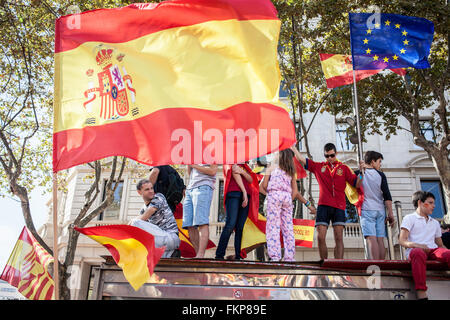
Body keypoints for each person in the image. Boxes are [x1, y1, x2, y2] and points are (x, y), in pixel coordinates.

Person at [291, 143, 363, 260]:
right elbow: (301, 159)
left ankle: (338, 264)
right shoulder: (319, 166)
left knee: (339, 237)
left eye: (332, 155)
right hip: (323, 206)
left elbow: (357, 184)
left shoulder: (344, 168)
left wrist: (361, 173)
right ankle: (323, 263)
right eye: (327, 156)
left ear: (336, 153)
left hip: (339, 206)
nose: (329, 158)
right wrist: (293, 147)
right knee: (320, 237)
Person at [399, 191, 450, 300]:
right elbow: (402, 241)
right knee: (418, 253)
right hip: (416, 251)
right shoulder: (409, 218)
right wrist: (417, 245)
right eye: (430, 203)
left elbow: (440, 245)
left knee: (448, 254)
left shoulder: (435, 223)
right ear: (420, 203)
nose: (434, 206)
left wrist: (447, 254)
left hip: (433, 250)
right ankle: (421, 292)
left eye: (434, 203)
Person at [355, 151, 395, 260]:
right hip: (380, 211)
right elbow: (387, 195)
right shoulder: (381, 175)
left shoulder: (358, 173)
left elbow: (356, 186)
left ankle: (375, 265)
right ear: (372, 162)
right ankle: (381, 265)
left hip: (366, 209)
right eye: (379, 161)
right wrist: (391, 213)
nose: (380, 164)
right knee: (380, 239)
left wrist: (361, 173)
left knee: (371, 239)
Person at [260, 149, 298, 262]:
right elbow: (295, 191)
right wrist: (288, 199)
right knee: (288, 228)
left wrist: (271, 194)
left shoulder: (271, 167)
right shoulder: (291, 171)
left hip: (274, 196)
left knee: (273, 227)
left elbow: (264, 185)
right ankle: (289, 257)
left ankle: (275, 256)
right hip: (287, 197)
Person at [130, 179, 180, 258]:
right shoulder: (143, 209)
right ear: (139, 192)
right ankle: (172, 253)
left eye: (151, 188)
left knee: (135, 223)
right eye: (147, 189)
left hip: (170, 237)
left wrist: (129, 225)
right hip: (160, 241)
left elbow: (145, 216)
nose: (151, 191)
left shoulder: (158, 197)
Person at [215, 163, 255, 260]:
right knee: (230, 224)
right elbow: (234, 172)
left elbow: (251, 179)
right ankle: (219, 255)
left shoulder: (246, 166)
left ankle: (238, 255)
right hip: (234, 193)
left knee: (240, 227)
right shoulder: (232, 158)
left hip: (246, 196)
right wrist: (244, 191)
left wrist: (242, 171)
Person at [182, 164, 217, 258]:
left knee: (202, 222)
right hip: (190, 188)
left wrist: (194, 165)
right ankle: (197, 254)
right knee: (189, 224)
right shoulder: (194, 154)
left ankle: (201, 254)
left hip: (203, 187)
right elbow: (190, 173)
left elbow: (213, 171)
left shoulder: (211, 152)